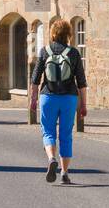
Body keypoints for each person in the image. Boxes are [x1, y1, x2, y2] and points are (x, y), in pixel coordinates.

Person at [29, 17, 87, 184]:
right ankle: (64, 173)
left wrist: (33, 101)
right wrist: (83, 105)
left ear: (53, 34)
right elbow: (81, 82)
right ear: (68, 34)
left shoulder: (44, 51)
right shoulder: (74, 53)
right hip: (69, 98)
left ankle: (51, 158)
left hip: (48, 96)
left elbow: (35, 79)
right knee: (66, 135)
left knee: (48, 132)